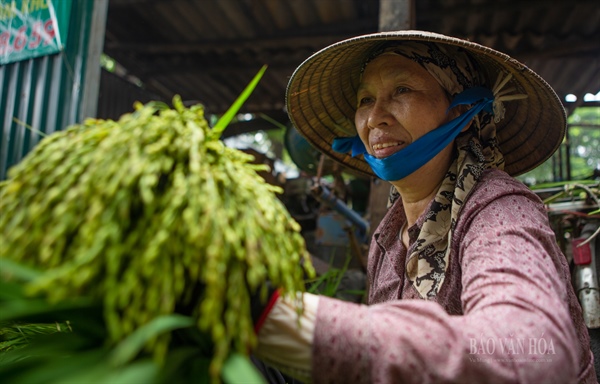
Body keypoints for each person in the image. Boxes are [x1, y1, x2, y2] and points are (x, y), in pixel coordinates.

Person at [252, 30, 597, 383]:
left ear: (460, 110)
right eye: (365, 99)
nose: (374, 118)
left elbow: (530, 350)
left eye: (402, 90)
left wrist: (281, 319)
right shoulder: (389, 233)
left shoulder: (499, 210)